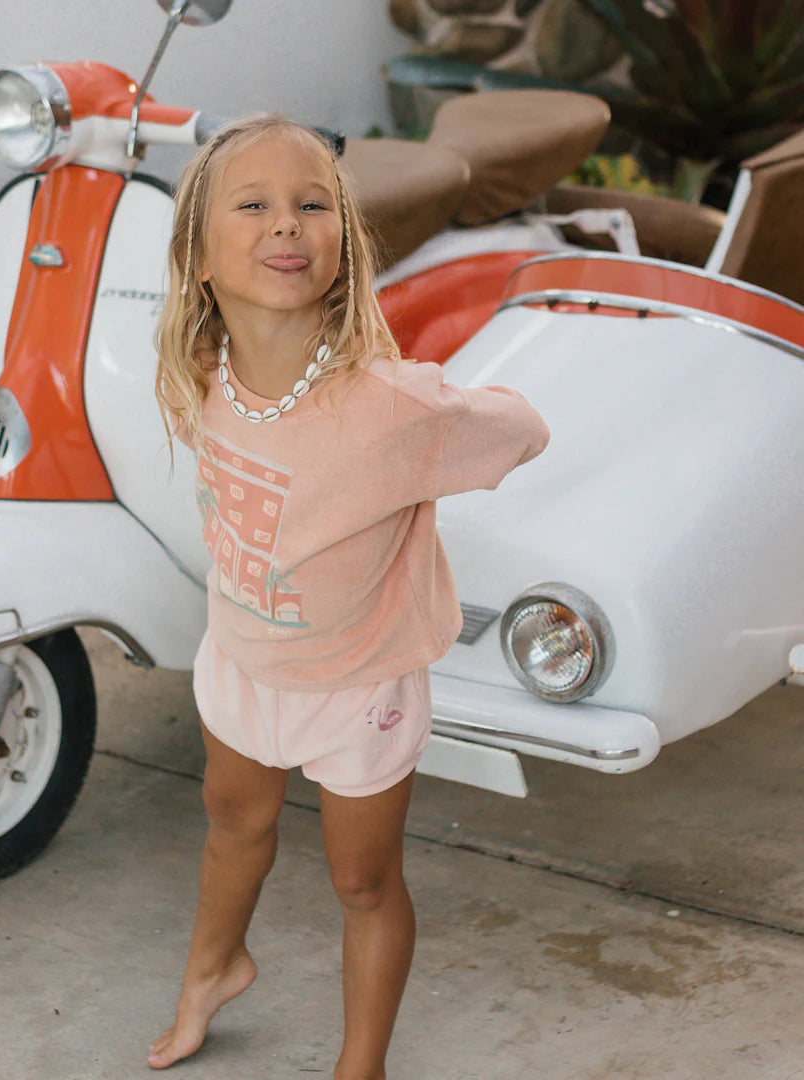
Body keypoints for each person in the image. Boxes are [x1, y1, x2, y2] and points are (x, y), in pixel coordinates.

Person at [149, 114, 550, 1079]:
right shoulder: (199, 374)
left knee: (362, 881)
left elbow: (522, 428)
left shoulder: (390, 408)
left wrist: (433, 436)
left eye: (313, 204)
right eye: (254, 205)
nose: (287, 224)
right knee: (232, 825)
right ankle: (214, 969)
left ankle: (358, 1067)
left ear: (343, 244)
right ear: (200, 256)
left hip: (358, 687)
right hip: (245, 661)